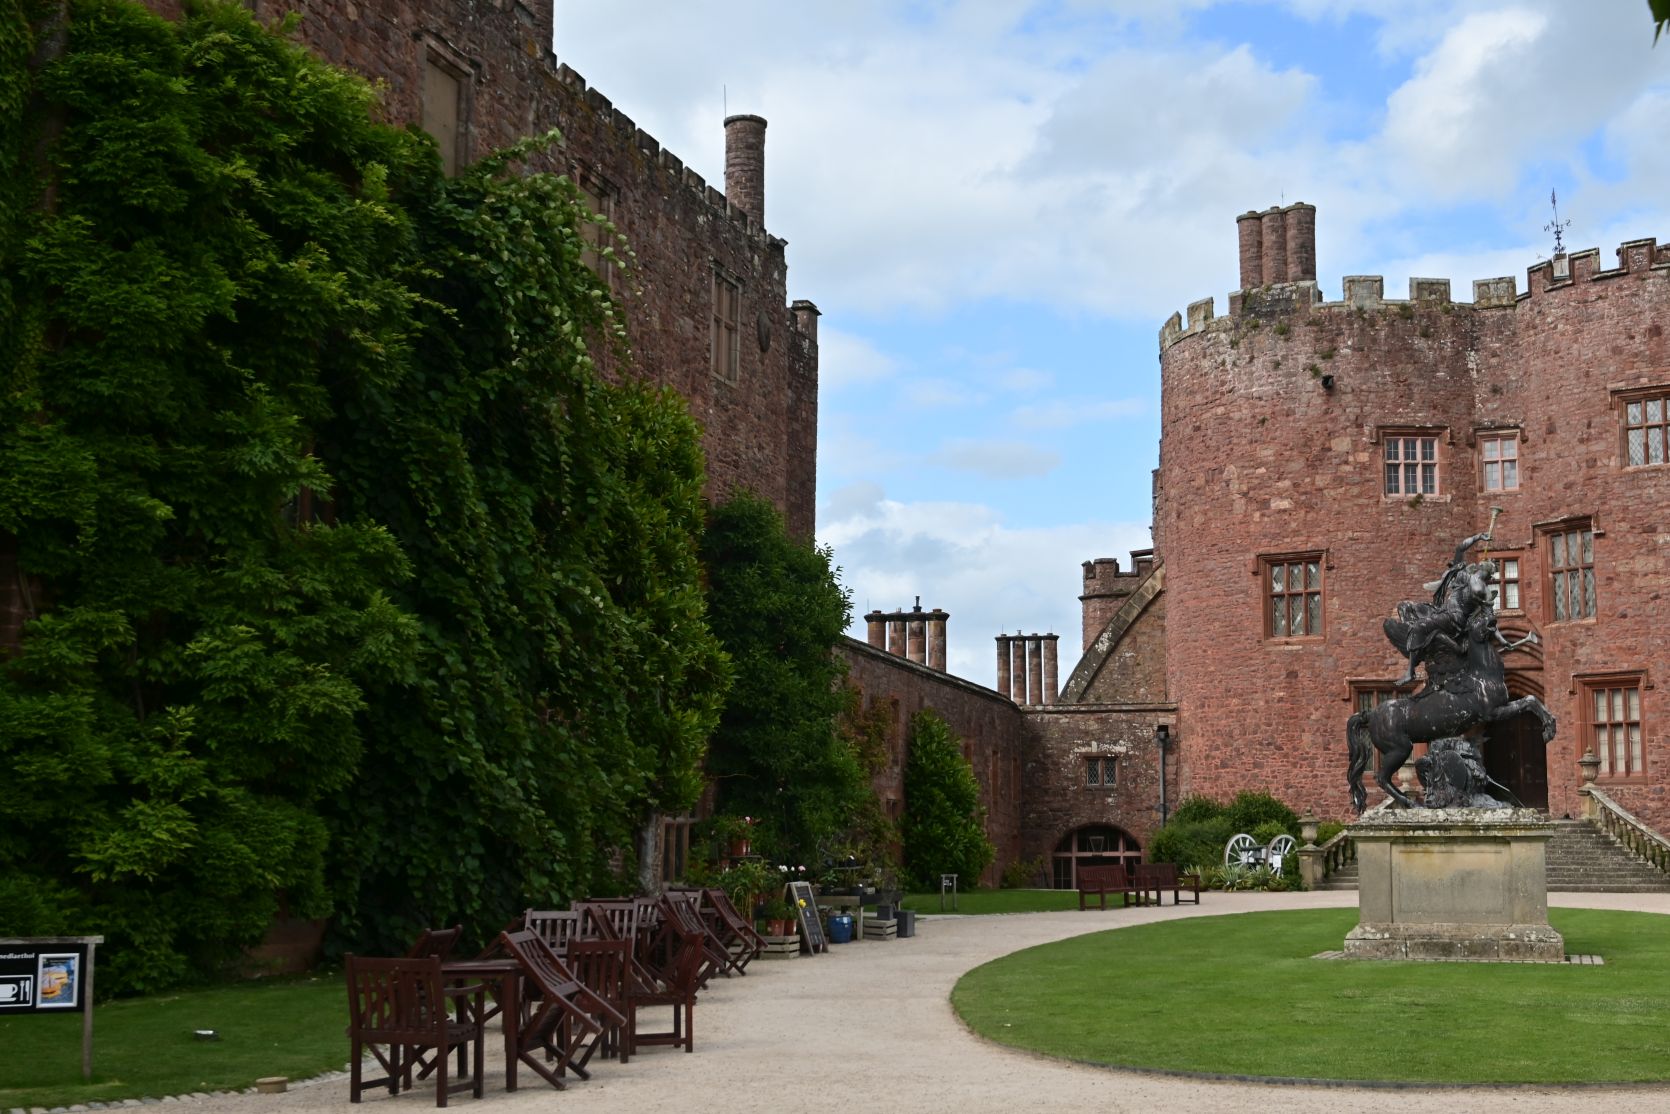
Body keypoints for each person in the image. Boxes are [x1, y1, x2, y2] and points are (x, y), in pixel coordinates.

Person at [1382, 533, 1494, 688]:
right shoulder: (1464, 576)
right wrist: (1478, 537)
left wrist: (1478, 538)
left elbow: (1489, 617)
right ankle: (1423, 644)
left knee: (1419, 627)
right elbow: (1460, 549)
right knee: (1407, 607)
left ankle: (1410, 671)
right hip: (1443, 611)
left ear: (1485, 571)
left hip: (1453, 619)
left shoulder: (1481, 588)